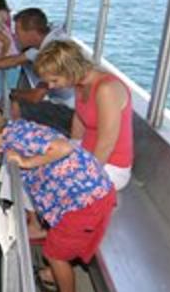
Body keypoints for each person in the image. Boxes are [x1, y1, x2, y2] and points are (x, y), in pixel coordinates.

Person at [0, 104, 116, 292]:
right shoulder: (10, 131)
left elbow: (63, 148)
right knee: (58, 247)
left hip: (85, 203)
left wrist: (26, 162)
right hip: (82, 197)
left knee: (54, 253)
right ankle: (52, 275)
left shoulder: (20, 139)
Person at [35, 40, 134, 190]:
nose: (50, 86)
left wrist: (86, 175)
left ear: (70, 70)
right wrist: (71, 147)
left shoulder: (106, 89)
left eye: (54, 80)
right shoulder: (79, 84)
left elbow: (106, 144)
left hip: (110, 165)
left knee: (50, 185)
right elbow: (79, 119)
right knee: (34, 165)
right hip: (86, 155)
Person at [0, 7, 74, 136]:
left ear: (31, 32)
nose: (15, 36)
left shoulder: (51, 51)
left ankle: (11, 144)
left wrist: (13, 94)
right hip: (64, 106)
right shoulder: (46, 43)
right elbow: (12, 60)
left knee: (16, 105)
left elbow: (36, 96)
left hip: (69, 111)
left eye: (17, 31)